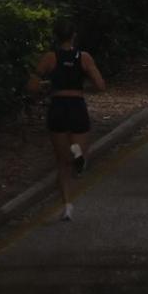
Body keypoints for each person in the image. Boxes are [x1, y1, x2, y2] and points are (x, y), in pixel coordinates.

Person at [29, 17, 106, 222]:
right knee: (78, 160)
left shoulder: (49, 58)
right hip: (77, 106)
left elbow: (32, 86)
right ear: (74, 36)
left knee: (61, 163)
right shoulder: (84, 57)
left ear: (55, 36)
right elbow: (100, 85)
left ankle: (67, 206)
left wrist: (46, 86)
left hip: (57, 107)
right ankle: (78, 153)